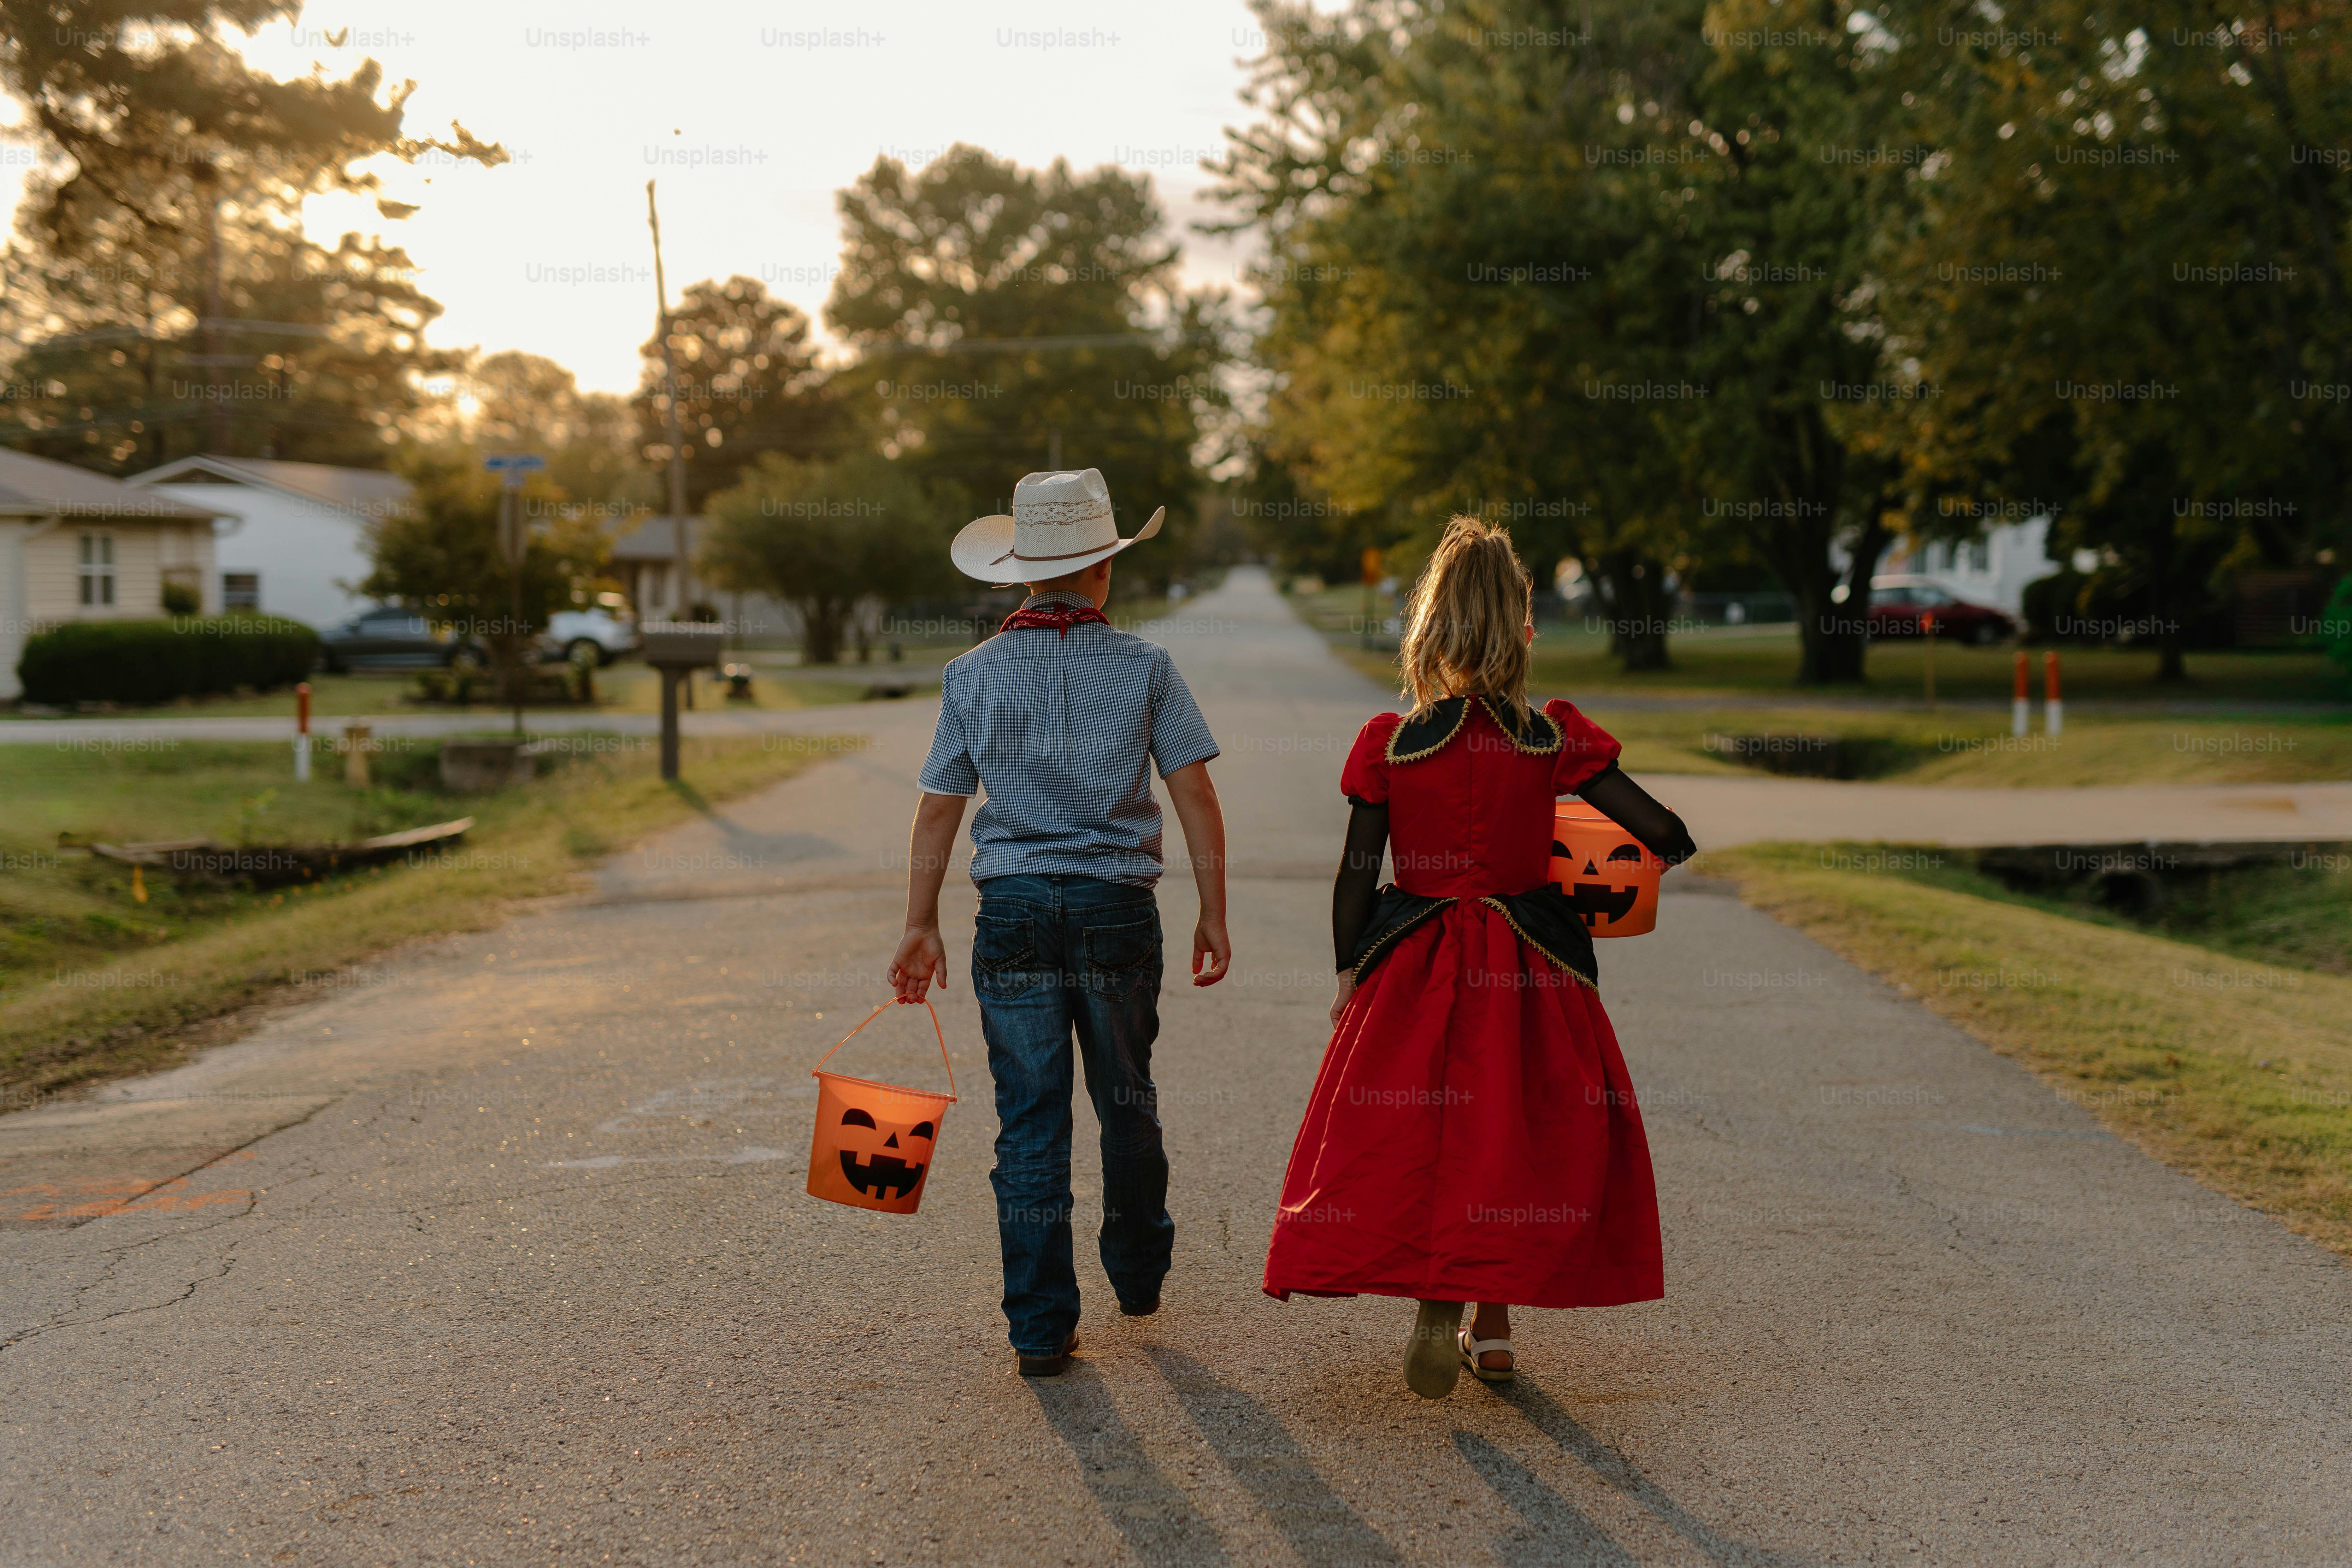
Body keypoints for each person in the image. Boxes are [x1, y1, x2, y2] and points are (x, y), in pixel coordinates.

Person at [1261, 516, 1696, 1398]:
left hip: (1414, 957)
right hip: (1527, 963)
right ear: (1521, 629)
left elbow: (1355, 872)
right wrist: (1631, 844)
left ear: (1429, 627)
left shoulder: (1390, 740)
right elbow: (1662, 831)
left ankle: (1434, 1290)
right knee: (1511, 1139)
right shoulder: (1551, 737)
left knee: (1417, 1135)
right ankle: (1490, 1331)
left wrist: (1348, 969)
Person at [889, 467, 1231, 1379]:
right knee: (1126, 1095)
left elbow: (937, 808)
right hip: (1117, 909)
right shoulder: (1147, 667)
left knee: (1030, 1120)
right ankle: (1138, 1273)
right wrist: (1212, 911)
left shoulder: (972, 673)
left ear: (1018, 575)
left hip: (1012, 914)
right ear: (1104, 574)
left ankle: (1040, 1326)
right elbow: (1193, 790)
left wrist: (919, 922)